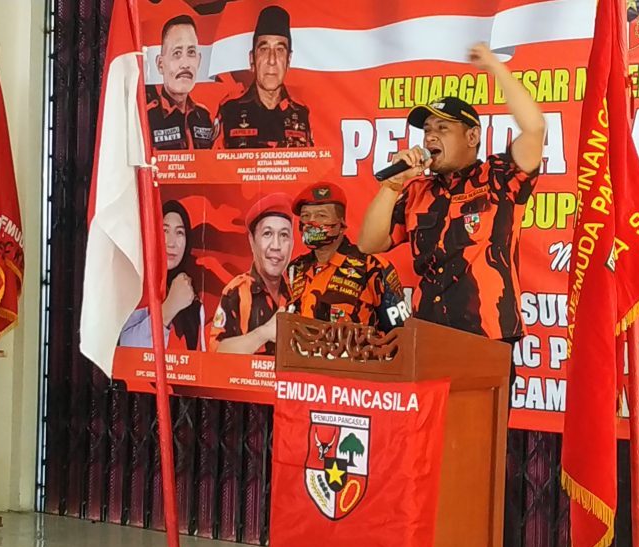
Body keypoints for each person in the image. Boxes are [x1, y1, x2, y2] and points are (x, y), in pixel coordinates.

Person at [358, 42, 545, 345]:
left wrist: (495, 67)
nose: (430, 136)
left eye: (442, 128)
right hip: (427, 334)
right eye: (427, 130)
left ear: (472, 136)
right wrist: (393, 184)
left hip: (487, 336)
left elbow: (535, 129)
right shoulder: (417, 191)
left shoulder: (499, 178)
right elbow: (368, 244)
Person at [287, 182, 409, 332]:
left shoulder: (372, 267)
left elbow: (400, 332)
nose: (311, 222)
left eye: (321, 215)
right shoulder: (295, 268)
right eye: (305, 216)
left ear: (341, 224)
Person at [214, 5, 313, 148]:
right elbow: (212, 160)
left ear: (288, 60)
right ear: (252, 59)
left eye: (280, 50)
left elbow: (311, 161)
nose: (272, 60)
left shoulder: (301, 113)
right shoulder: (230, 110)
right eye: (264, 49)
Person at [210, 193, 294, 355]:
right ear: (252, 240)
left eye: (284, 235)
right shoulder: (237, 292)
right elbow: (216, 351)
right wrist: (264, 333)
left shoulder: (297, 293)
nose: (276, 246)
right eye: (267, 234)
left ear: (292, 243)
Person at [119, 200, 206, 350]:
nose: (171, 243)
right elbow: (126, 348)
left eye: (179, 232)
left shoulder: (192, 298)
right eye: (165, 231)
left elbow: (199, 358)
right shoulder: (136, 284)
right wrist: (168, 308)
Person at [146, 15, 214, 150]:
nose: (185, 64)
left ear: (199, 60)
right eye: (177, 53)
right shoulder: (147, 117)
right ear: (160, 64)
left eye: (191, 52)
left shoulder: (204, 116)